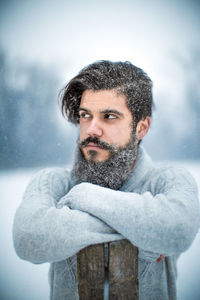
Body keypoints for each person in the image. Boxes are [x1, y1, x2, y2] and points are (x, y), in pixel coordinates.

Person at [13, 60, 200, 300]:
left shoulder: (167, 181)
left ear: (141, 128)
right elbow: (27, 238)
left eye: (109, 116)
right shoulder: (53, 182)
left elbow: (178, 230)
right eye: (85, 115)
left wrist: (85, 197)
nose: (92, 129)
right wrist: (143, 232)